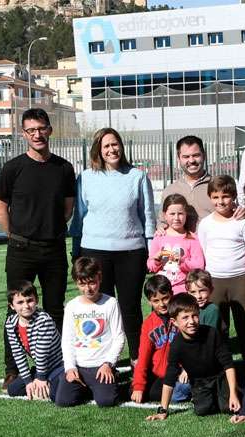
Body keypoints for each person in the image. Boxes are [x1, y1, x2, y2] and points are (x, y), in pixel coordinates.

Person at [0, 108, 75, 389]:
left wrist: (47, 230)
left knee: (55, 310)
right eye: (31, 130)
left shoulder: (64, 168)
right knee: (15, 311)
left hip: (53, 250)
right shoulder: (13, 168)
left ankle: (59, 365)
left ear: (50, 130)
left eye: (41, 128)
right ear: (23, 134)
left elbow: (67, 209)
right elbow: (0, 208)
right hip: (21, 250)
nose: (37, 134)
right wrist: (15, 235)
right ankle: (12, 370)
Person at [70, 127, 156, 365]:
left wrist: (150, 250)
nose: (112, 149)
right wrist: (76, 250)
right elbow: (79, 217)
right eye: (106, 146)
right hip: (95, 252)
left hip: (131, 252)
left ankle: (138, 360)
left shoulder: (137, 176)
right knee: (101, 309)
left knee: (130, 309)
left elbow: (147, 216)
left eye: (115, 144)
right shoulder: (86, 177)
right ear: (98, 149)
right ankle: (105, 361)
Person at [146, 293, 241, 419]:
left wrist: (233, 394)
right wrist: (163, 411)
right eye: (185, 318)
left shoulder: (212, 333)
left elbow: (228, 364)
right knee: (202, 410)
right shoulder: (176, 345)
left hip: (220, 376)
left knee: (228, 407)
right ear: (174, 322)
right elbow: (169, 377)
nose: (191, 321)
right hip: (199, 382)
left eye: (194, 316)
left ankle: (237, 387)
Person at [197, 175, 245, 368]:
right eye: (215, 197)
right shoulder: (205, 224)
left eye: (225, 196)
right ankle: (221, 368)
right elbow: (204, 250)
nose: (220, 201)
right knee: (217, 327)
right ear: (210, 198)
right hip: (215, 281)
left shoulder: (242, 222)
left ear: (233, 197)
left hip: (240, 281)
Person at [56, 257, 126, 408]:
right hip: (79, 366)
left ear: (99, 278)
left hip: (101, 366)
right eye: (82, 284)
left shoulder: (110, 303)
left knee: (107, 401)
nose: (88, 288)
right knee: (63, 401)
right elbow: (67, 340)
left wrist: (108, 363)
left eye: (92, 282)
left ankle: (111, 377)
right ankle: (85, 386)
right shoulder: (71, 306)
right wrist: (70, 367)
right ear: (76, 283)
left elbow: (119, 337)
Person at [130, 275, 191, 404]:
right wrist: (138, 386)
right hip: (160, 374)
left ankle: (192, 388)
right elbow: (143, 356)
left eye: (165, 298)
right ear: (149, 301)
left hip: (180, 372)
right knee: (136, 391)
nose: (162, 304)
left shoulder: (182, 316)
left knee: (177, 391)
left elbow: (192, 346)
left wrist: (187, 368)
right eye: (156, 301)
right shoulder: (148, 324)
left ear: (172, 294)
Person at [3, 280, 64, 401]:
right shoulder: (10, 323)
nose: (26, 306)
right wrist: (28, 381)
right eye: (20, 302)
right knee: (13, 390)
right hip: (43, 368)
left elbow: (41, 353)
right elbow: (18, 354)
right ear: (12, 306)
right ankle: (40, 379)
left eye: (29, 300)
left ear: (36, 300)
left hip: (60, 364)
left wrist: (41, 378)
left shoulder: (43, 320)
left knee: (54, 392)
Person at [147, 194, 205, 294]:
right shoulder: (159, 236)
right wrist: (157, 259)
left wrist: (182, 261)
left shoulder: (192, 238)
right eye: (172, 214)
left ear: (186, 214)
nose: (176, 218)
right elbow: (151, 266)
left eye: (180, 213)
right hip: (162, 291)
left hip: (183, 291)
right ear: (165, 215)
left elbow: (200, 265)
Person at [161, 135, 214, 231]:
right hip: (182, 245)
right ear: (178, 159)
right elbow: (162, 222)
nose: (191, 160)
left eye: (196, 155)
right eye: (186, 157)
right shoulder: (170, 191)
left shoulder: (217, 187)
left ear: (204, 156)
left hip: (212, 245)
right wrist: (160, 227)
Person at [186, 269, 222, 334]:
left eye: (202, 291)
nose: (198, 296)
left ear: (211, 290)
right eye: (193, 292)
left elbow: (210, 337)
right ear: (188, 293)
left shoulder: (212, 310)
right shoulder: (187, 308)